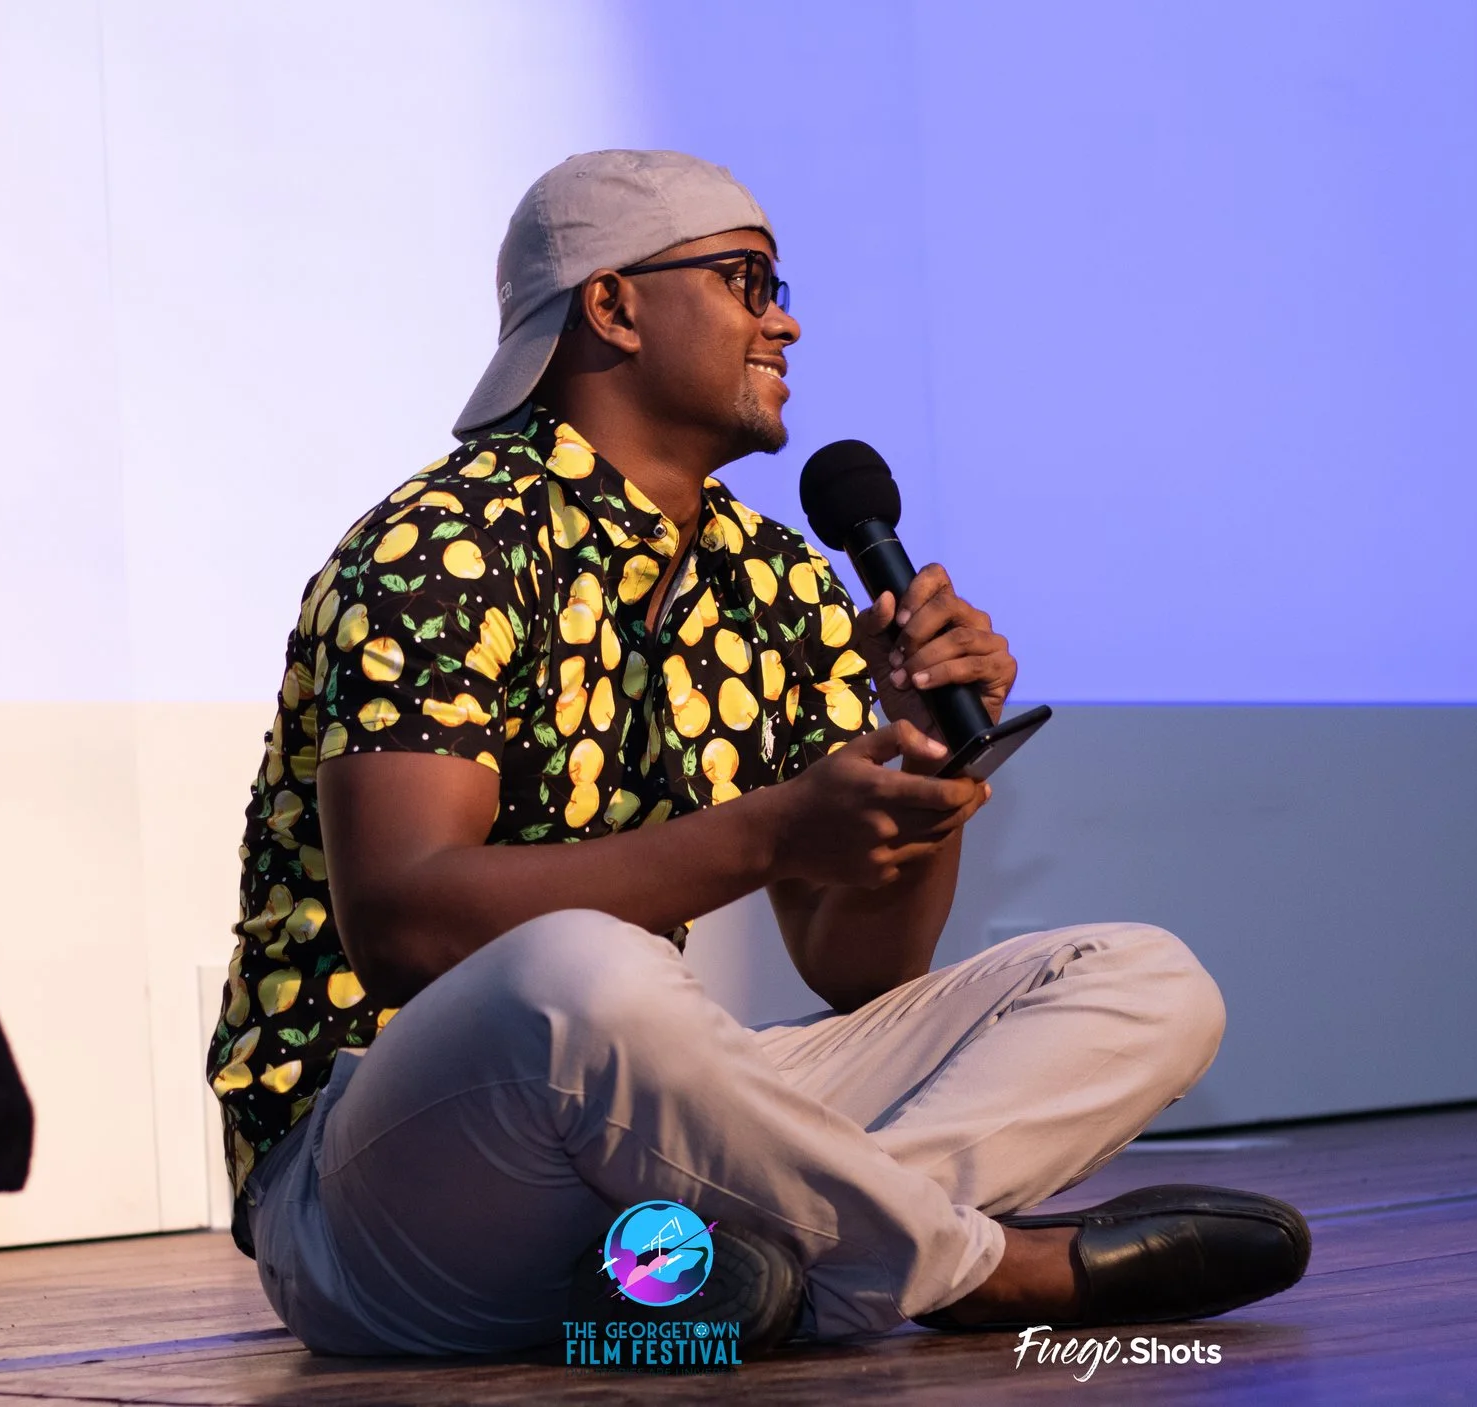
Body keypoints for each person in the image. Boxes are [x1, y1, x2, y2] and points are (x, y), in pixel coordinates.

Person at [206, 149, 1308, 1355]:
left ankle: (709, 1281)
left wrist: (923, 773)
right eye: (746, 279)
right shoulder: (438, 546)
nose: (784, 320)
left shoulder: (775, 579)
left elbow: (857, 968)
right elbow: (406, 926)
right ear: (614, 306)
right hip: (379, 1187)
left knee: (1142, 979)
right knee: (579, 973)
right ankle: (979, 1271)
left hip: (629, 1152)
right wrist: (779, 827)